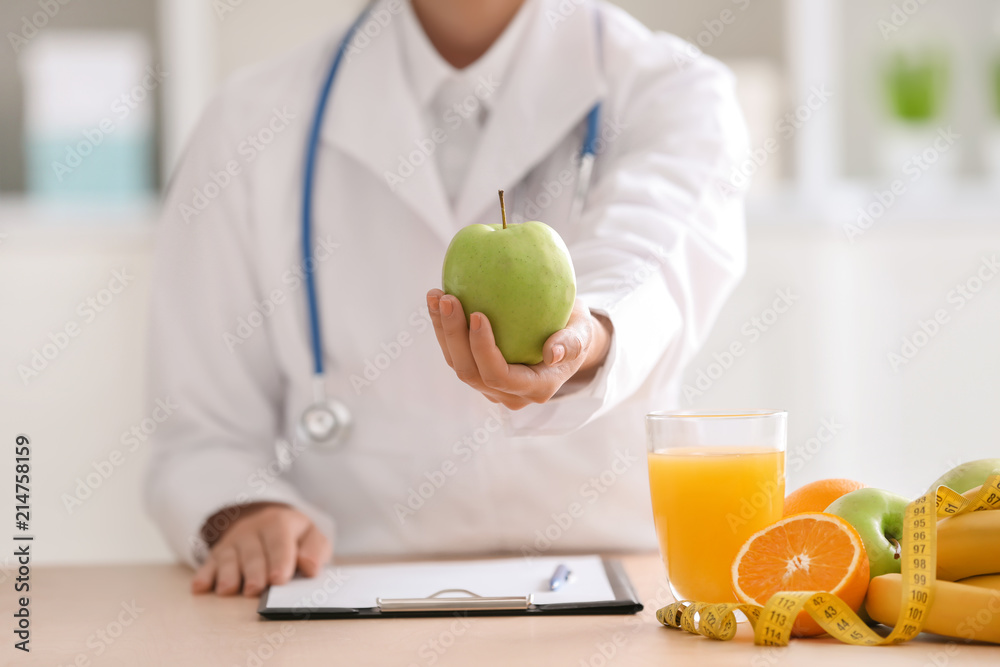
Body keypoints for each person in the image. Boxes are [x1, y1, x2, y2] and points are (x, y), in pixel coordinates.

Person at [145, 0, 748, 596]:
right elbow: (202, 434)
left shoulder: (673, 92)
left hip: (611, 587)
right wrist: (245, 514)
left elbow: (649, 269)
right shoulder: (250, 117)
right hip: (342, 594)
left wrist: (583, 341)